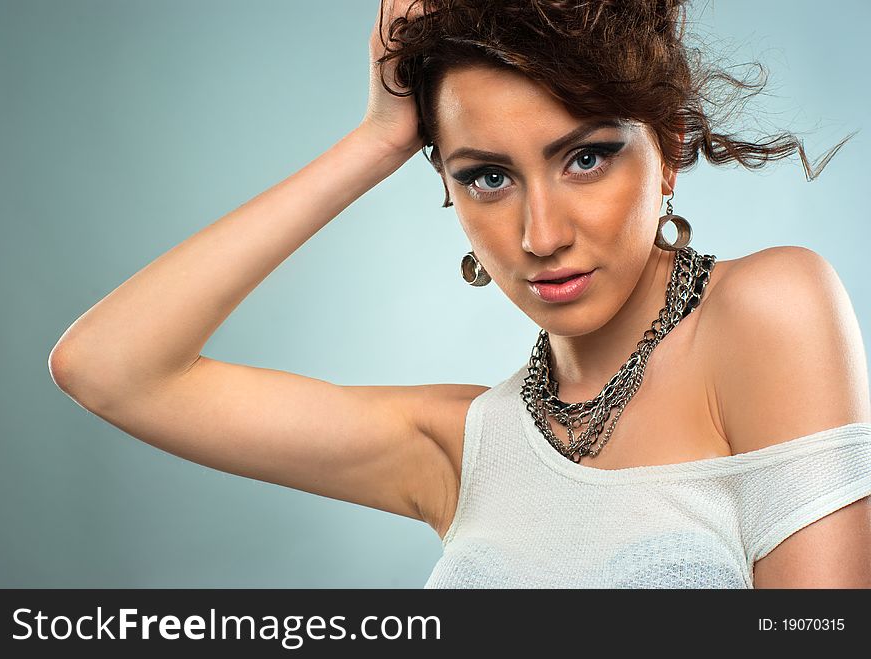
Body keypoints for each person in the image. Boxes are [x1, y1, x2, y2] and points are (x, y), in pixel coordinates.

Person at [48, 0, 870, 589]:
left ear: (668, 148)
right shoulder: (461, 446)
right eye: (486, 176)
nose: (539, 232)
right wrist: (377, 140)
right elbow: (110, 368)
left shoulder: (769, 308)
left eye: (584, 157)